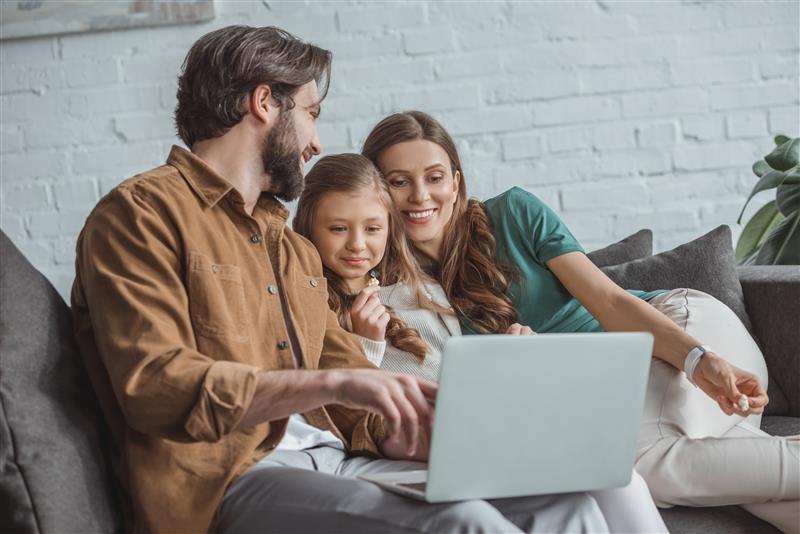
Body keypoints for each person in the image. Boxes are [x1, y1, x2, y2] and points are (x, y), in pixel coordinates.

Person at [71, 26, 609, 533]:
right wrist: (335, 383)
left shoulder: (295, 252)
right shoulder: (141, 214)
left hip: (337, 461)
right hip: (228, 480)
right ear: (264, 103)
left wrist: (411, 430)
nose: (316, 142)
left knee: (564, 503)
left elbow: (354, 393)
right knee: (464, 524)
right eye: (310, 113)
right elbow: (156, 387)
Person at [357, 110, 800, 533]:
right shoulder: (402, 293)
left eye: (434, 178)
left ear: (455, 182)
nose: (420, 196)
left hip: (680, 332)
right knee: (757, 497)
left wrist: (700, 361)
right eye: (399, 182)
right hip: (615, 395)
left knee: (629, 463)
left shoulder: (513, 213)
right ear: (377, 191)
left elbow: (610, 301)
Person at [293, 152, 669, 533]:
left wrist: (512, 354)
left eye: (372, 229)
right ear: (310, 227)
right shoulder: (313, 303)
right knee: (598, 485)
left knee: (620, 481)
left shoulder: (420, 288)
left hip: (481, 427)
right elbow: (347, 414)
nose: (357, 245)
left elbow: (462, 371)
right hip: (422, 444)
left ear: (389, 229)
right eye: (338, 229)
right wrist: (366, 344)